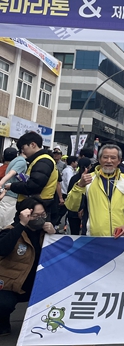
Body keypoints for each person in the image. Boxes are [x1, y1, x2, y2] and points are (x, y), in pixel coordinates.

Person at [0, 196, 55, 336]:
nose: (39, 219)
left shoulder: (45, 233)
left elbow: (59, 255)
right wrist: (21, 225)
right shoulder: (11, 231)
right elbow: (2, 249)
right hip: (11, 284)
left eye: (43, 215)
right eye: (35, 216)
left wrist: (54, 235)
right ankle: (2, 322)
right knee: (3, 303)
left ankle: (46, 323)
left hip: (37, 284)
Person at [65, 144, 124, 237]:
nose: (109, 161)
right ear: (99, 159)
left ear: (119, 161)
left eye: (113, 158)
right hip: (92, 238)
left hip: (119, 237)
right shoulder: (87, 180)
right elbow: (71, 206)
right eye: (105, 157)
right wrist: (80, 186)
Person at [5, 132, 58, 218]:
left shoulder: (43, 161)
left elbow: (33, 186)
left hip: (36, 210)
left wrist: (12, 186)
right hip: (34, 206)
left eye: (23, 148)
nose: (23, 151)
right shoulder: (40, 160)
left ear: (33, 145)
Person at [0, 149, 27, 228]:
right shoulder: (21, 162)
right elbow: (11, 173)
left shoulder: (12, 163)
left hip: (5, 195)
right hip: (10, 197)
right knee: (6, 225)